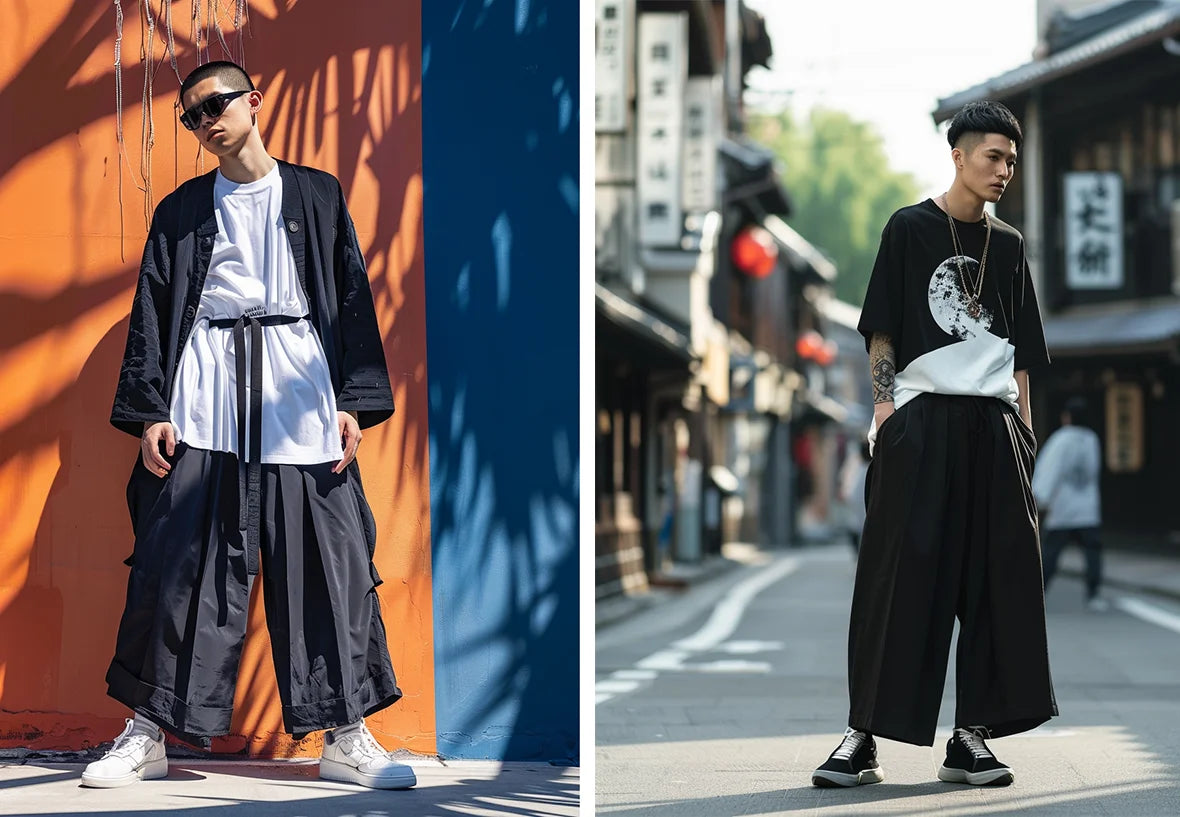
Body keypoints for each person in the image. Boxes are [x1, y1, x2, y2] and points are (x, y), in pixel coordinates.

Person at [82, 60, 415, 791]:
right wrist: (152, 412)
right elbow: (153, 311)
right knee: (173, 567)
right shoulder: (180, 211)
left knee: (332, 564)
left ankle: (347, 732)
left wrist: (352, 402)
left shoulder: (318, 195)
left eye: (215, 105)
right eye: (191, 115)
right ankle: (147, 730)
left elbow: (353, 300)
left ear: (254, 102)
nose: (205, 122)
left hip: (300, 394)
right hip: (206, 394)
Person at [811, 101, 1057, 789]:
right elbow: (882, 331)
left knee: (994, 585)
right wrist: (888, 417)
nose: (1004, 170)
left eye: (1011, 159)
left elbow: (1021, 356)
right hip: (921, 423)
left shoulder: (1007, 246)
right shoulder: (910, 228)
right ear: (958, 155)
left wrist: (1025, 437)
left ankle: (971, 735)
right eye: (993, 157)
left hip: (995, 428)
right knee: (897, 579)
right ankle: (862, 736)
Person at [1034, 396, 1107, 611]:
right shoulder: (1091, 438)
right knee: (1092, 552)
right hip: (1087, 506)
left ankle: (1039, 594)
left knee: (1050, 553)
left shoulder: (1062, 439)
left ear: (1067, 417)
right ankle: (1093, 594)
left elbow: (1050, 470)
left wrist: (1039, 498)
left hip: (1063, 507)